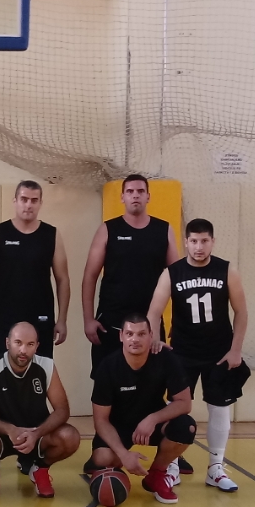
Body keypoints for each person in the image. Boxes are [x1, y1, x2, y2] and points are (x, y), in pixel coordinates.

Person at [81, 174, 183, 476]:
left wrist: (176, 324)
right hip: (110, 326)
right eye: (130, 191)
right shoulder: (108, 229)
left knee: (158, 385)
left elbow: (177, 279)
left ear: (148, 196)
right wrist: (88, 319)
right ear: (122, 197)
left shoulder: (164, 230)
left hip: (149, 329)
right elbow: (90, 276)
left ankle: (170, 453)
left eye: (140, 191)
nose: (135, 195)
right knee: (107, 388)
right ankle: (106, 448)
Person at [146, 220, 250, 492]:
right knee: (176, 407)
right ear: (186, 242)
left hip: (219, 352)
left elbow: (241, 312)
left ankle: (216, 468)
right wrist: (154, 339)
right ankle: (171, 466)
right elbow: (154, 311)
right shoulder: (172, 272)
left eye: (204, 241)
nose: (199, 246)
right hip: (183, 352)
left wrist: (236, 349)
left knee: (220, 407)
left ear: (212, 242)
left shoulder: (227, 270)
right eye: (193, 241)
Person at [89, 314, 196, 504]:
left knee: (186, 427)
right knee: (103, 459)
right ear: (121, 336)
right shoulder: (108, 366)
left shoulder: (165, 359)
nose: (135, 339)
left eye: (141, 334)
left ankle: (156, 474)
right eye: (130, 333)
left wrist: (152, 419)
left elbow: (184, 403)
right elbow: (101, 420)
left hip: (152, 425)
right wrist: (124, 455)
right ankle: (117, 467)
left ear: (151, 335)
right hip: (118, 427)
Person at [0, 320, 80, 498]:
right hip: (3, 435)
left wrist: (37, 433)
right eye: (18, 343)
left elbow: (62, 410)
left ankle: (40, 470)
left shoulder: (46, 365)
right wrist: (10, 429)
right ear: (7, 343)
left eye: (30, 344)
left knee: (70, 437)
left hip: (37, 434)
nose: (23, 350)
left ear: (37, 346)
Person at [0, 181, 71, 355]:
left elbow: (63, 279)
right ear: (15, 201)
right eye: (24, 199)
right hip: (5, 318)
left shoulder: (51, 234)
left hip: (41, 318)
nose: (28, 205)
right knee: (0, 369)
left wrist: (62, 320)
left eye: (34, 200)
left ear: (40, 203)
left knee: (40, 369)